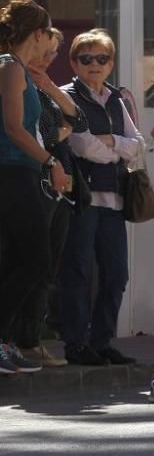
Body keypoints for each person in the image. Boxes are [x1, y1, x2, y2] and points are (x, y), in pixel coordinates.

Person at [59, 29, 142, 367]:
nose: (94, 65)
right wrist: (114, 147)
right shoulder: (65, 95)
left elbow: (138, 146)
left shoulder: (117, 99)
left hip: (115, 199)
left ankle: (101, 341)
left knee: (116, 274)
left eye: (102, 59)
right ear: (74, 62)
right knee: (78, 272)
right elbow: (81, 145)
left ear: (111, 63)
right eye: (86, 58)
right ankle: (76, 344)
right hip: (81, 197)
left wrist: (111, 143)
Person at [0, 0, 66, 375]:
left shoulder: (19, 69)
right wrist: (52, 161)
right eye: (47, 35)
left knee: (18, 259)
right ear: (38, 33)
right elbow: (13, 128)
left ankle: (5, 341)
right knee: (36, 258)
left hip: (22, 171)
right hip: (11, 171)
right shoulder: (10, 68)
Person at [14, 27, 84, 367]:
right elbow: (45, 131)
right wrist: (61, 132)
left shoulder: (42, 86)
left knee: (48, 264)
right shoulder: (16, 79)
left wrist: (53, 87)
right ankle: (19, 339)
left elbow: (77, 120)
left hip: (59, 183)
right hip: (35, 177)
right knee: (31, 261)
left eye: (55, 53)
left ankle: (30, 340)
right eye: (47, 50)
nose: (49, 58)